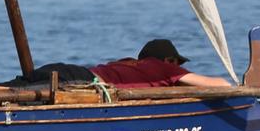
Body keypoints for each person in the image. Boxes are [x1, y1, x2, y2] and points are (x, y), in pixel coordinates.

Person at [91, 38, 227, 89]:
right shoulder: (164, 68)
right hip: (87, 82)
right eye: (177, 63)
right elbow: (222, 84)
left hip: (81, 75)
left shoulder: (126, 64)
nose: (178, 68)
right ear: (168, 61)